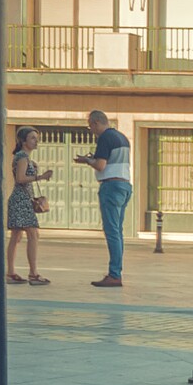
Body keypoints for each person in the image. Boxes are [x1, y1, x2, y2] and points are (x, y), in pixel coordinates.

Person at [72, 109, 131, 287]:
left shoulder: (105, 138)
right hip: (125, 185)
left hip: (111, 187)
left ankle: (114, 274)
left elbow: (100, 165)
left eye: (91, 126)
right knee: (118, 232)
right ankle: (116, 271)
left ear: (96, 123)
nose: (91, 130)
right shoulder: (122, 137)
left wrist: (87, 160)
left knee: (112, 232)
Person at [6, 127, 51, 286]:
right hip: (21, 200)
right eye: (32, 138)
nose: (35, 141)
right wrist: (40, 176)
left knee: (16, 236)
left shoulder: (24, 157)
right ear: (24, 141)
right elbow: (20, 178)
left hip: (21, 199)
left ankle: (11, 272)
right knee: (33, 234)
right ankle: (33, 273)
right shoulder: (23, 157)